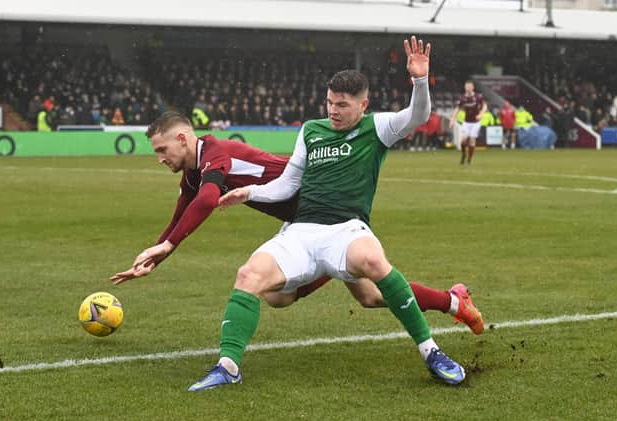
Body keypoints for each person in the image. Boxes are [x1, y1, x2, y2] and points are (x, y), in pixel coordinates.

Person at [186, 36, 469, 391]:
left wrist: (420, 80)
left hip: (346, 231)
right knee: (249, 275)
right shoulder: (311, 130)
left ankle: (431, 352)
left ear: (363, 105)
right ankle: (227, 366)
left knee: (375, 262)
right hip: (301, 232)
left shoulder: (376, 128)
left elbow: (418, 115)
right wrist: (250, 193)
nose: (334, 110)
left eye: (343, 105)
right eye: (330, 102)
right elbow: (289, 184)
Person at [110, 111, 483, 330]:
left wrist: (169, 245)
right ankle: (454, 302)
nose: (159, 157)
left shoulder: (215, 152)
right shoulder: (192, 174)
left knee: (279, 295)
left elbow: (208, 200)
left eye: (162, 149)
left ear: (181, 138)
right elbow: (181, 216)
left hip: (324, 211)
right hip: (304, 221)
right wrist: (155, 256)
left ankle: (330, 263)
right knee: (368, 296)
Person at [449, 80, 487, 164]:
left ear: (473, 87)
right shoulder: (463, 98)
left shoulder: (478, 96)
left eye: (470, 86)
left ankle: (469, 159)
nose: (468, 88)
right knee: (463, 140)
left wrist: (481, 114)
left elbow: (484, 106)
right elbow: (457, 109)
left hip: (476, 123)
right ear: (465, 88)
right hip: (466, 122)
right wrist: (452, 119)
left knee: (472, 140)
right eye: (467, 87)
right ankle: (463, 155)